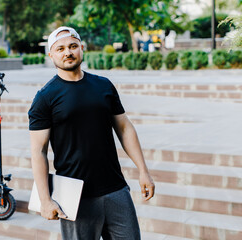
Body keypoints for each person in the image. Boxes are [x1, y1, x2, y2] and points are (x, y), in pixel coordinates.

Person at [28, 26, 155, 240]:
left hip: (115, 188)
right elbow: (38, 151)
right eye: (60, 49)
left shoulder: (103, 85)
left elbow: (124, 128)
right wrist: (45, 199)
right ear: (51, 54)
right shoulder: (45, 98)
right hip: (75, 195)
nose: (67, 52)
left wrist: (143, 170)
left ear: (81, 48)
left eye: (72, 46)